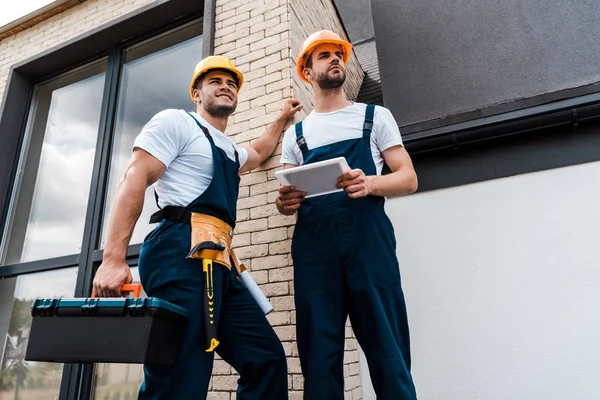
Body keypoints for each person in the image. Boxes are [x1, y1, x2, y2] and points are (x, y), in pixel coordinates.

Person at [93, 55, 301, 400]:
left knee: (265, 359)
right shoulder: (177, 123)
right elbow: (135, 177)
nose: (226, 87)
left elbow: (261, 150)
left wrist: (280, 118)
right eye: (215, 81)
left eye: (232, 83)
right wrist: (113, 258)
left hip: (219, 262)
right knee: (182, 373)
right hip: (179, 252)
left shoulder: (232, 150)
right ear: (196, 93)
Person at [276, 30, 419, 399]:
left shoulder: (375, 116)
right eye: (324, 55)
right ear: (307, 71)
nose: (335, 59)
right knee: (319, 357)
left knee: (388, 351)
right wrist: (284, 202)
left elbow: (408, 178)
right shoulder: (297, 135)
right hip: (314, 253)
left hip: (368, 245)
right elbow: (285, 196)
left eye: (338, 53)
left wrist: (370, 184)